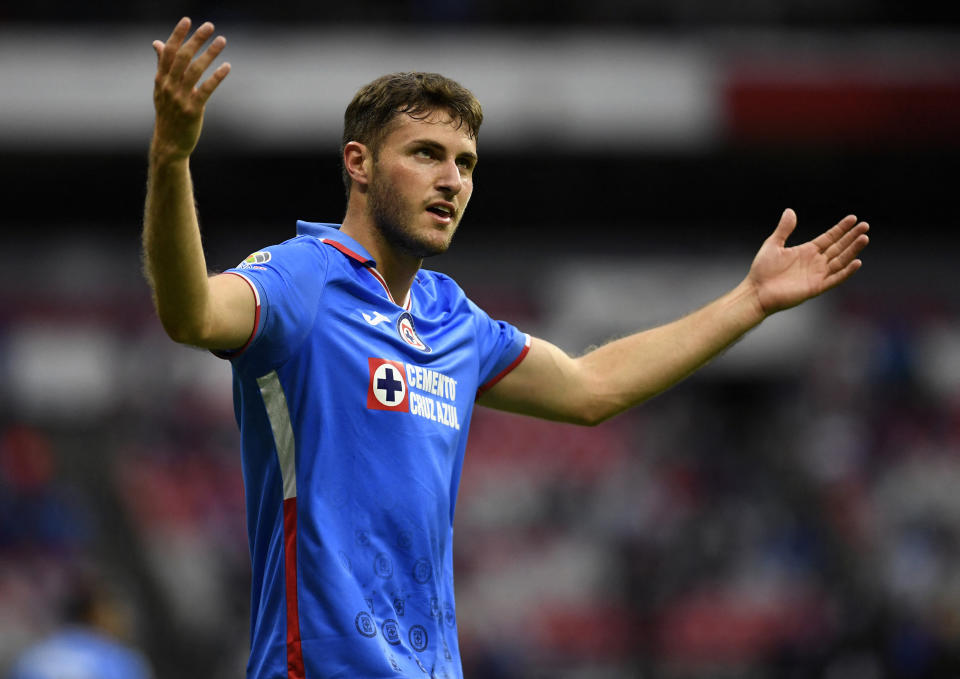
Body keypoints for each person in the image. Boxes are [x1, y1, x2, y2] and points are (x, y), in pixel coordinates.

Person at [142, 17, 869, 679]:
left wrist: (750, 302)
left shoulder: (451, 315)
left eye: (465, 162)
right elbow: (192, 313)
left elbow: (591, 387)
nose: (451, 180)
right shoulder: (304, 279)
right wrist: (172, 159)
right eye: (426, 154)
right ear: (358, 163)